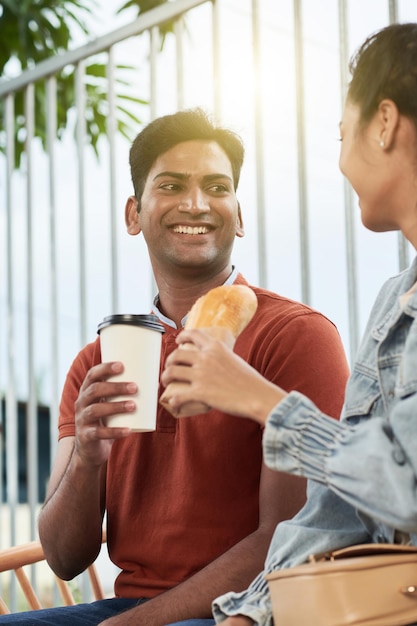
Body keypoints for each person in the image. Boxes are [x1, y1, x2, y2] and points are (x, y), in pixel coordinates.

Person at [0, 109, 349, 626]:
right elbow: (64, 558)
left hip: (255, 610)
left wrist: (133, 625)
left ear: (239, 214)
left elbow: (289, 538)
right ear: (134, 214)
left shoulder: (296, 335)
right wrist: (89, 459)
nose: (195, 203)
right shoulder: (97, 361)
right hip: (129, 607)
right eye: (171, 185)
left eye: (216, 186)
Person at [160, 22, 417, 626]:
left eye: (340, 135)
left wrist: (256, 397)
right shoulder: (393, 302)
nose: (340, 162)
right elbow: (338, 504)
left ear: (383, 123)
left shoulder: (297, 332)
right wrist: (251, 613)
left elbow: (405, 483)